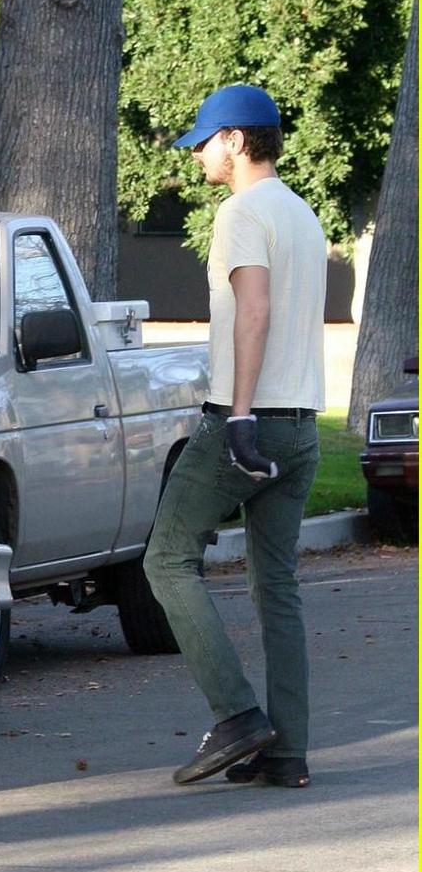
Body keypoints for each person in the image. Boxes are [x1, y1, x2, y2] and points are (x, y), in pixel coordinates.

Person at [143, 84, 326, 788]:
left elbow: (253, 310)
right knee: (275, 585)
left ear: (237, 142)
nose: (196, 152)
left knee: (165, 560)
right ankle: (287, 753)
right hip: (302, 427)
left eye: (205, 140)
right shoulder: (301, 215)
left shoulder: (241, 212)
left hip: (245, 422)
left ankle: (237, 717)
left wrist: (240, 415)